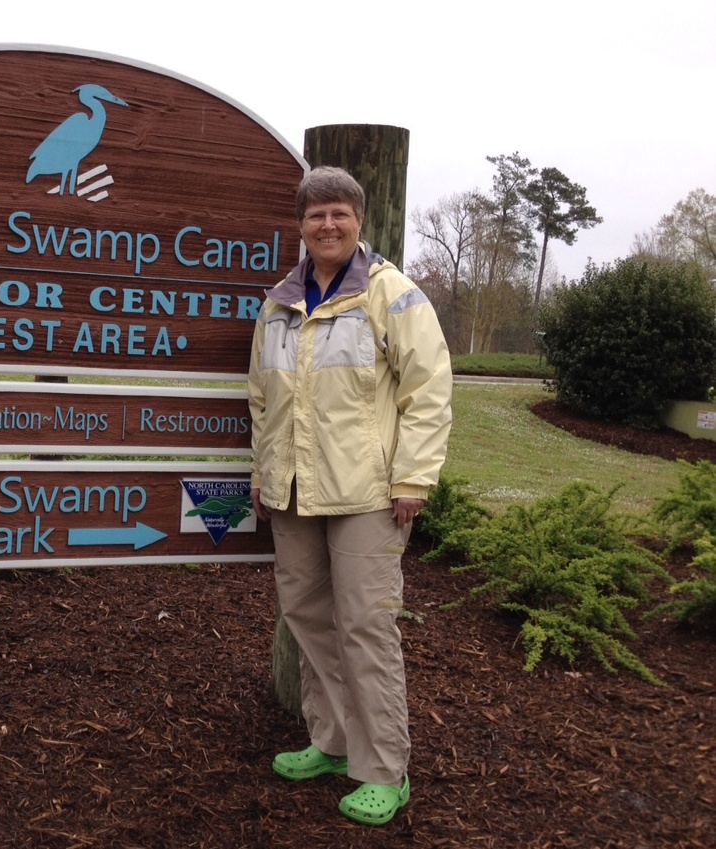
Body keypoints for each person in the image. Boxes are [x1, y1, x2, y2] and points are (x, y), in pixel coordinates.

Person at [247, 166, 452, 826]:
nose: (327, 225)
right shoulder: (278, 302)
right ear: (300, 226)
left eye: (339, 213)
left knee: (365, 626)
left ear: (360, 220)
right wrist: (263, 470)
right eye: (315, 215)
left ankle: (383, 767)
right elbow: (262, 396)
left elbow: (430, 390)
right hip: (295, 488)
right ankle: (332, 743)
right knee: (307, 616)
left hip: (367, 492)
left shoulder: (391, 294)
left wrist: (414, 477)